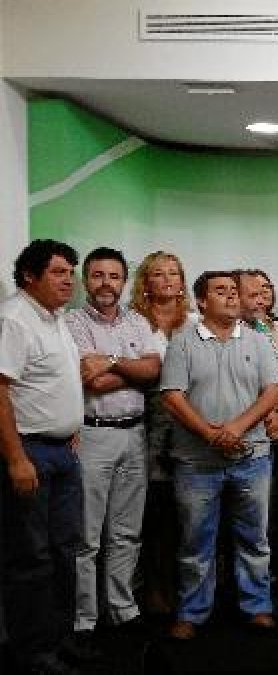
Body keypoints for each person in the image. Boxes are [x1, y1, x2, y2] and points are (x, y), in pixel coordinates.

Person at [160, 271, 278, 640]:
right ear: (201, 301)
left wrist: (235, 429)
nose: (231, 297)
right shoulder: (183, 342)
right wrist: (211, 435)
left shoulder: (259, 341)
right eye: (221, 291)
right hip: (197, 461)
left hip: (252, 455)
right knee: (196, 542)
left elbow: (272, 391)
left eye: (234, 291)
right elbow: (172, 396)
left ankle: (257, 607)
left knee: (254, 539)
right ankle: (192, 613)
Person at [64, 247, 160, 656]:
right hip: (93, 434)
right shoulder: (72, 323)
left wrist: (114, 363)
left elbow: (154, 371)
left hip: (134, 435)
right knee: (86, 536)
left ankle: (122, 609)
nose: (107, 283)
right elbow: (89, 379)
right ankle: (84, 619)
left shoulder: (138, 321)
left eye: (114, 276)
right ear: (87, 281)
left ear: (124, 281)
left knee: (126, 532)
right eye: (98, 276)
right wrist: (131, 371)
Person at [0, 240, 85, 675]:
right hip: (29, 452)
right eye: (58, 271)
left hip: (62, 451)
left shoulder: (57, 319)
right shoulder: (15, 319)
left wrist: (70, 429)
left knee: (63, 552)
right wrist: (15, 458)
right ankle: (33, 653)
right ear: (29, 276)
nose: (69, 279)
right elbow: (0, 390)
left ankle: (59, 640)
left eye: (71, 271)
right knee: (31, 559)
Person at [128, 251, 193, 617]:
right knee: (153, 510)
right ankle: (152, 587)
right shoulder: (131, 322)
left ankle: (184, 588)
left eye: (174, 273)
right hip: (144, 421)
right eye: (158, 274)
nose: (168, 279)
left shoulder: (196, 323)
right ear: (145, 283)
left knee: (186, 511)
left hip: (189, 422)